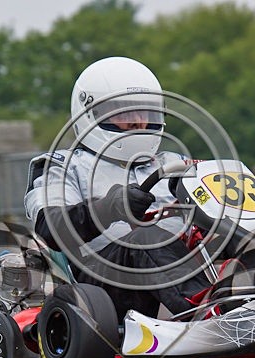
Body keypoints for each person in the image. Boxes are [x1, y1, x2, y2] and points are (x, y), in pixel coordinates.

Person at [24, 57, 211, 321]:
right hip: (101, 287)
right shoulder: (62, 165)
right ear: (92, 113)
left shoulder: (173, 163)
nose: (138, 122)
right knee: (145, 238)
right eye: (125, 112)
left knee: (252, 230)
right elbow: (51, 228)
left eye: (144, 111)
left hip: (182, 265)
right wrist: (110, 207)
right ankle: (209, 315)